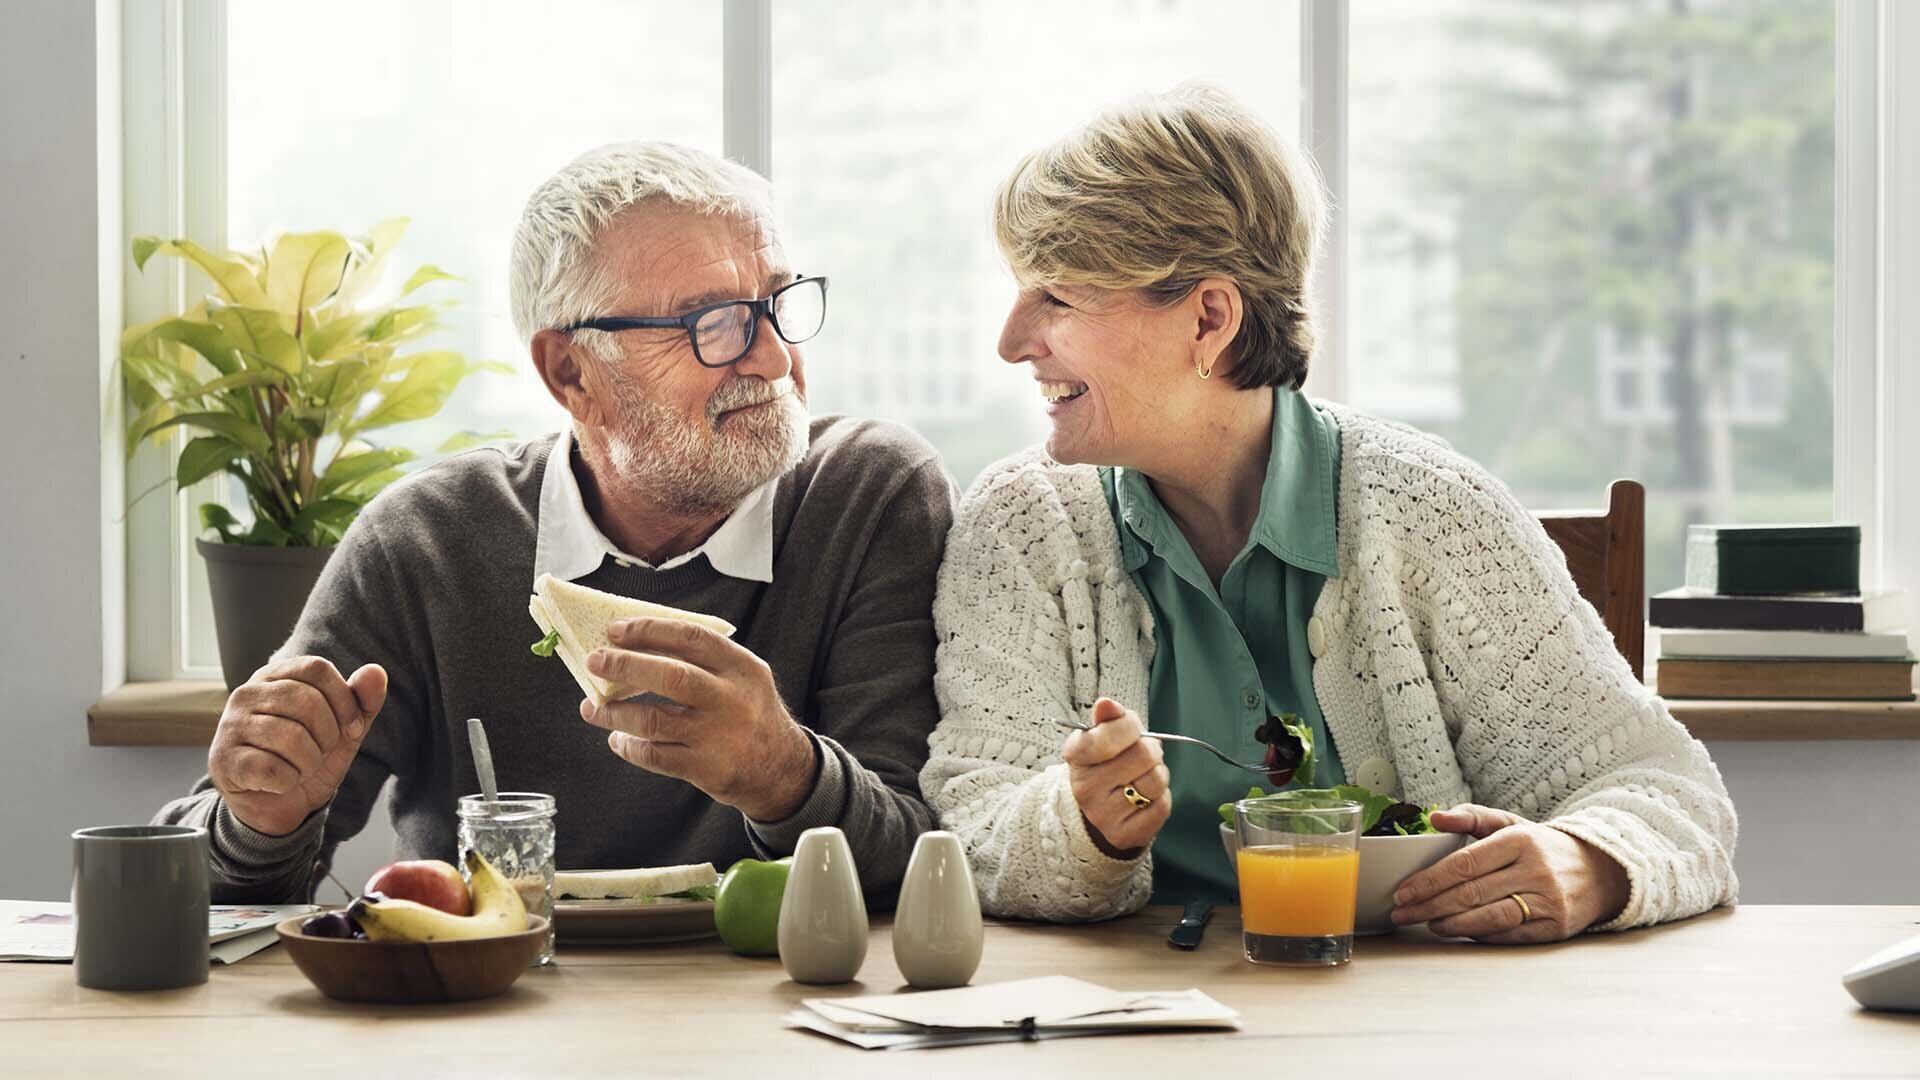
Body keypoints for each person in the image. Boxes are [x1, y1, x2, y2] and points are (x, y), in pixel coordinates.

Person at [922, 85, 1738, 941]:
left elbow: (1666, 788)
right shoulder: (1021, 525)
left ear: (1208, 317)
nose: (1013, 341)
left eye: (1056, 296)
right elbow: (969, 822)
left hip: (1409, 1022)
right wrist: (1082, 824)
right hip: (1121, 1024)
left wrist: (1592, 861)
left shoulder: (1436, 511)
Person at [156, 141, 954, 904]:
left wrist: (783, 773)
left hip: (777, 1011)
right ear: (571, 371)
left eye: (777, 304)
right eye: (713, 324)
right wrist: (259, 819)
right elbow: (205, 893)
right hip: (484, 1009)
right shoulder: (428, 540)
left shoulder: (869, 495)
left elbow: (926, 867)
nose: (776, 360)